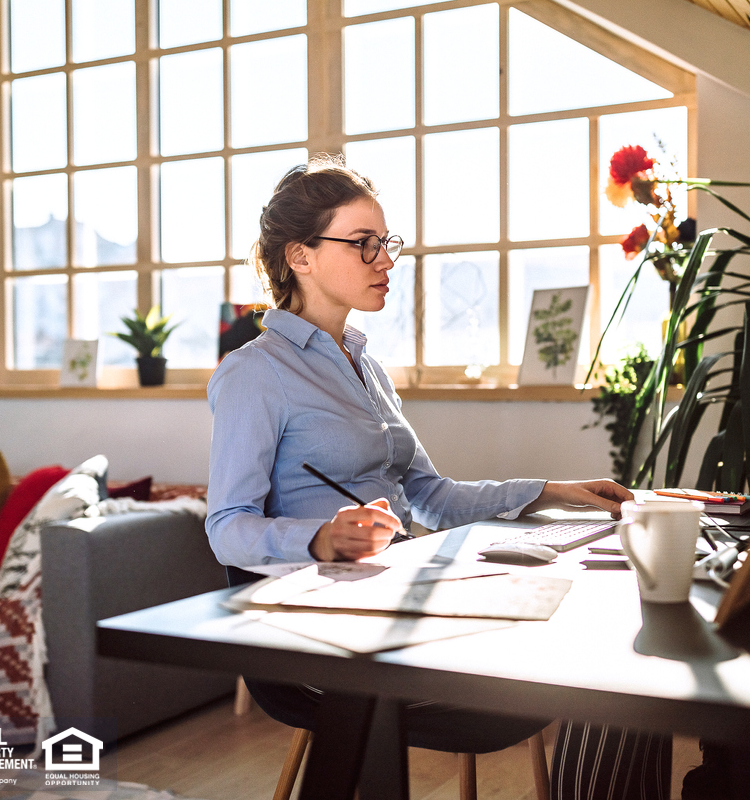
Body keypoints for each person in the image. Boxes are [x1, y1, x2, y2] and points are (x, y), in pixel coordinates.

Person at [204, 154, 669, 792]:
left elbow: (433, 495)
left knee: (615, 639)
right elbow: (227, 526)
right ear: (300, 256)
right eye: (363, 244)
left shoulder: (366, 366)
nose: (385, 260)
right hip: (318, 638)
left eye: (386, 243)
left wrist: (554, 490)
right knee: (599, 665)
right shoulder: (254, 373)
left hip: (394, 598)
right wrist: (317, 539)